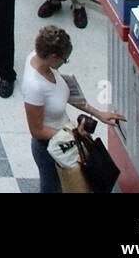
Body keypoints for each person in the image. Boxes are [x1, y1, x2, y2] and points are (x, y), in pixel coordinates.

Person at [23, 25, 124, 193]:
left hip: (65, 137)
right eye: (64, 59)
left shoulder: (36, 57)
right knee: (53, 189)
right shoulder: (35, 86)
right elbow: (36, 130)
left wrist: (98, 114)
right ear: (53, 56)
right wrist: (73, 134)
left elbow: (64, 93)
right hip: (50, 148)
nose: (64, 63)